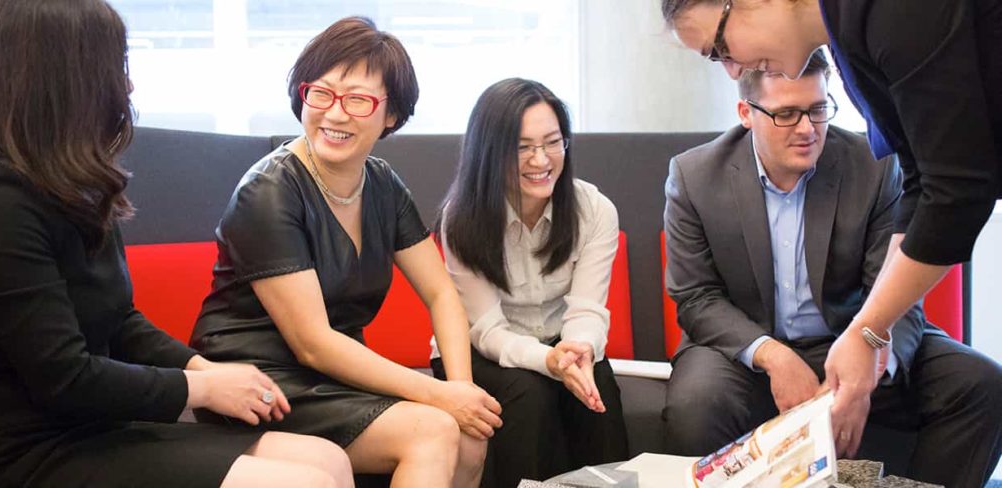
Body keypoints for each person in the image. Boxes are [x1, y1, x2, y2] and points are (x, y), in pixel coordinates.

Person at [0, 1, 353, 487]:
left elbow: (120, 321)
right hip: (25, 451)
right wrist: (200, 388)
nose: (126, 85)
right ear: (68, 76)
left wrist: (207, 368)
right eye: (116, 66)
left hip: (92, 428)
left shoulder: (75, 183)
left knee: (327, 459)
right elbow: (65, 379)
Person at [658, 0, 1002, 462]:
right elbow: (696, 297)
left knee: (979, 383)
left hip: (844, 338)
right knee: (699, 400)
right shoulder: (695, 174)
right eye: (785, 114)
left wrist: (868, 341)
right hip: (751, 358)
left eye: (721, 46)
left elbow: (952, 190)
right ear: (746, 112)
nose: (806, 129)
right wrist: (778, 356)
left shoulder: (889, 26)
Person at [189, 16, 500, 487]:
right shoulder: (269, 191)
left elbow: (441, 295)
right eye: (322, 93)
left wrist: (461, 389)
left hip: (333, 379)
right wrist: (440, 398)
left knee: (468, 432)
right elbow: (312, 343)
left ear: (390, 114)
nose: (335, 114)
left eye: (357, 100)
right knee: (433, 429)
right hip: (258, 381)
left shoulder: (382, 185)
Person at [434, 78, 629, 487]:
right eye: (522, 147)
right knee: (529, 396)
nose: (541, 160)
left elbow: (588, 311)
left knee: (598, 394)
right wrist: (547, 362)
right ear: (489, 152)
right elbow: (486, 329)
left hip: (563, 342)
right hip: (483, 352)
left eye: (552, 142)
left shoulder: (594, 211)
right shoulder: (462, 220)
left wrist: (578, 353)